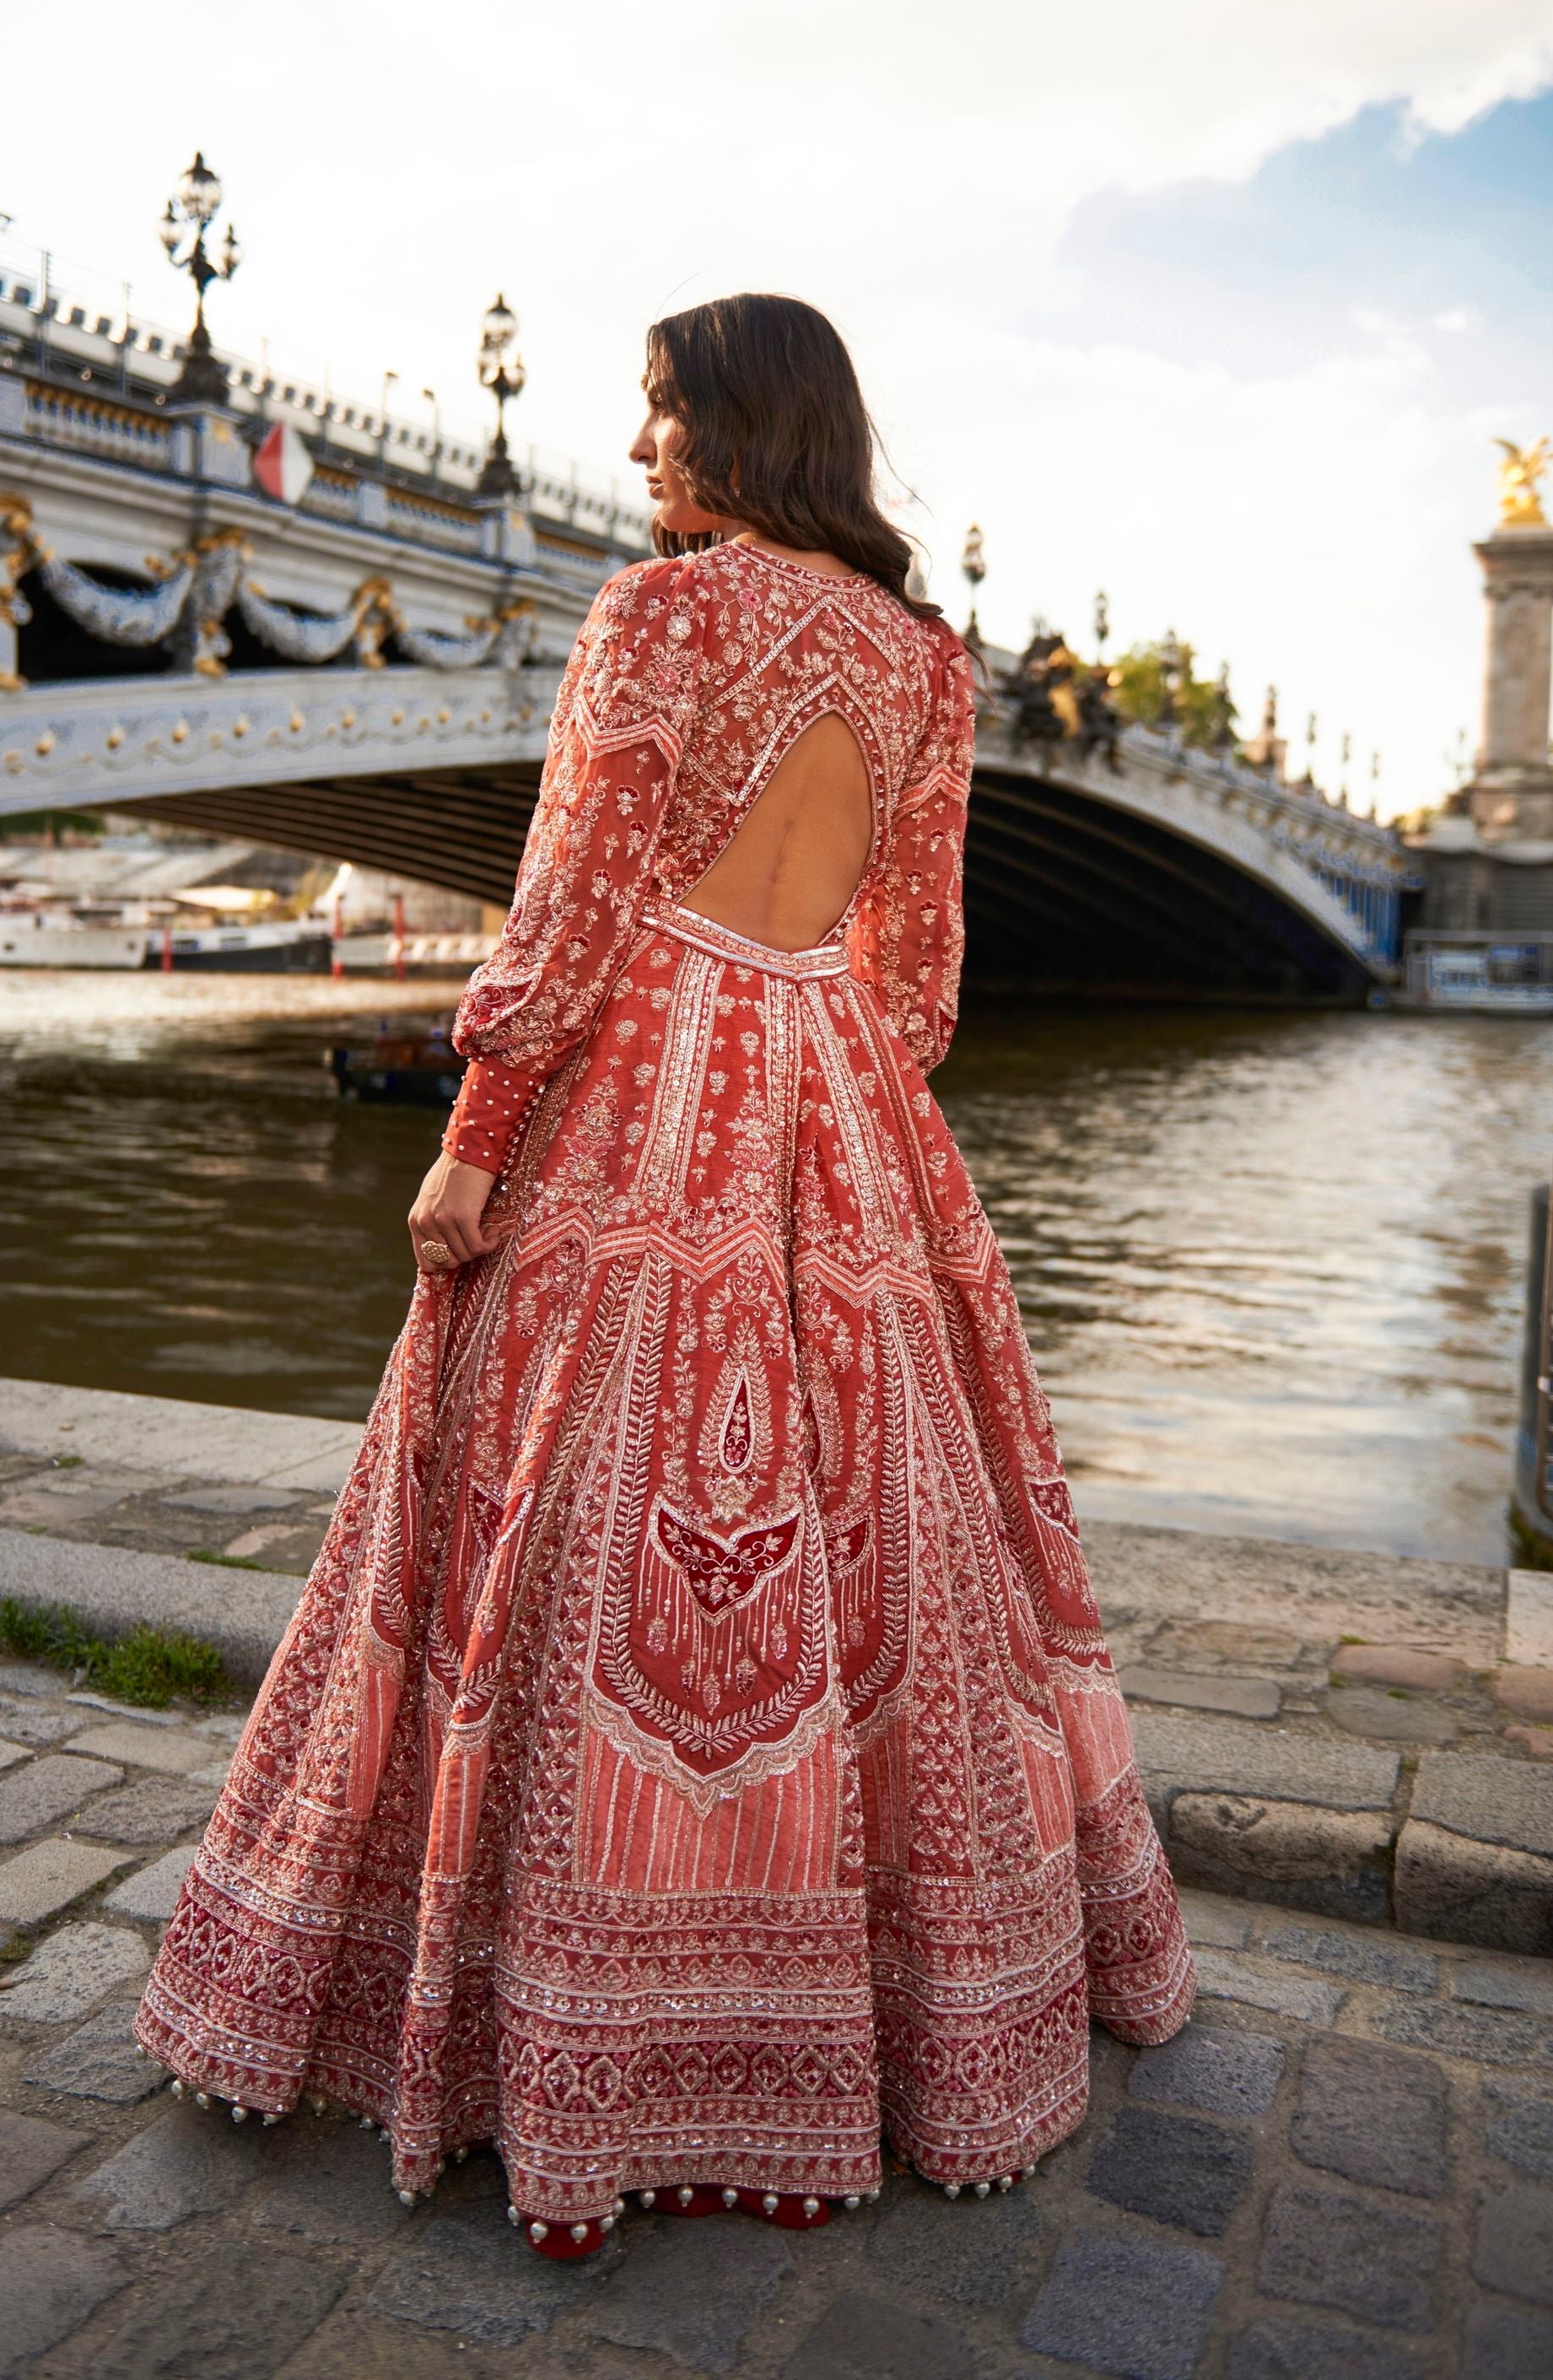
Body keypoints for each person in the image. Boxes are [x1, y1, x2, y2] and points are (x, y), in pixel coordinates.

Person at [134, 293, 1194, 2256]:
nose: (636, 453)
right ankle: (878, 2016)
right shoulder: (924, 663)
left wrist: (476, 1135)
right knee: (886, 1536)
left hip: (642, 1083)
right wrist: (827, 1086)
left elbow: (575, 894)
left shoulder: (659, 618)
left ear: (737, 424)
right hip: (835, 1086)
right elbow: (924, 976)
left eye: (657, 413)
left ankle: (554, 2017)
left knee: (549, 1522)